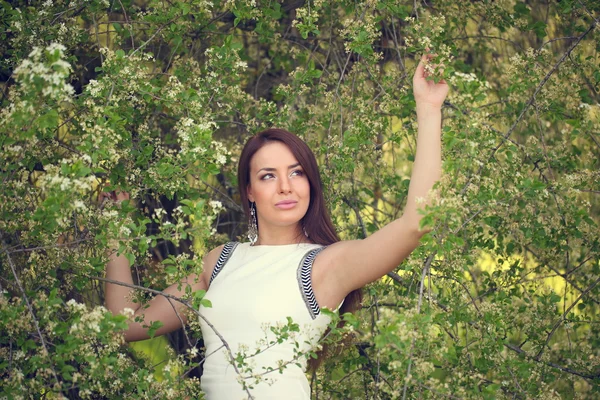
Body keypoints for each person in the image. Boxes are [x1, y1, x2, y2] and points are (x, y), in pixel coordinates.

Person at [104, 53, 448, 399]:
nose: (286, 186)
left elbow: (416, 222)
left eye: (296, 172)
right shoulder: (220, 261)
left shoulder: (325, 265)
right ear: (250, 191)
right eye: (268, 176)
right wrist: (112, 227)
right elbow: (127, 324)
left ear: (310, 182)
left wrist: (429, 109)